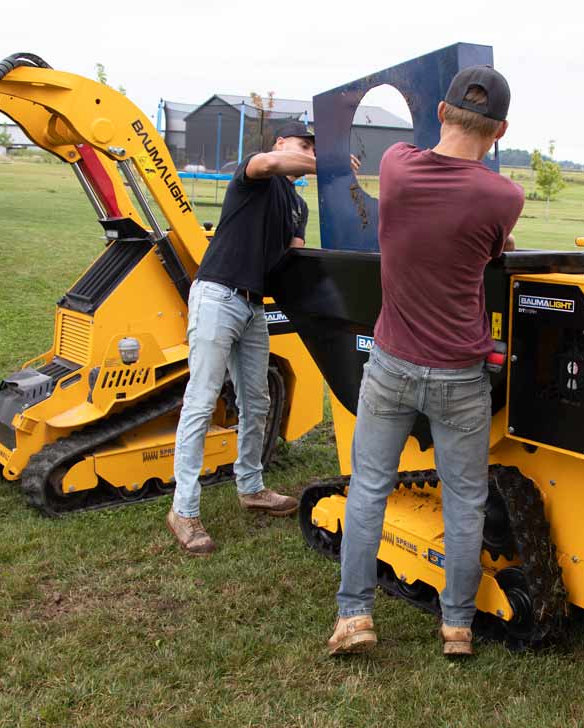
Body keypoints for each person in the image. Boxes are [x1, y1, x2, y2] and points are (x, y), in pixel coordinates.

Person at [328, 66, 524, 657]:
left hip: (390, 367)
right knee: (465, 501)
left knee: (367, 491)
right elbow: (493, 249)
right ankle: (457, 627)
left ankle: (355, 617)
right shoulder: (505, 197)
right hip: (461, 376)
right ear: (502, 130)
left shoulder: (396, 167)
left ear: (441, 113)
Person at [167, 121, 355, 556]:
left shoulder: (298, 207)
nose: (309, 151)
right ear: (281, 143)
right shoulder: (255, 170)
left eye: (316, 146)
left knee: (258, 400)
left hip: (254, 306)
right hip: (217, 294)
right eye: (303, 144)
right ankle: (184, 509)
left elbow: (290, 262)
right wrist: (330, 162)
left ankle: (250, 486)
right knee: (202, 398)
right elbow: (271, 164)